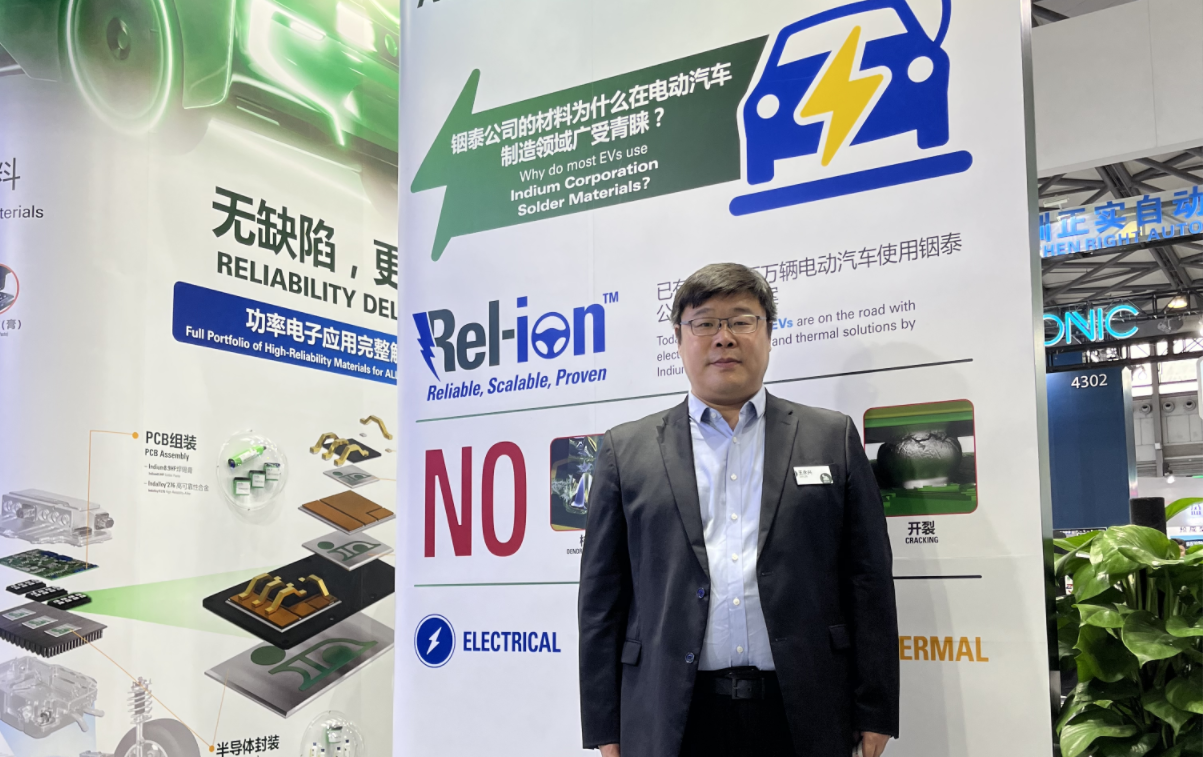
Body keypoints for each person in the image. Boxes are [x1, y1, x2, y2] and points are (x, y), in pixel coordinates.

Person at [578, 263, 899, 757]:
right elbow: (602, 597)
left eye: (742, 320)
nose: (723, 337)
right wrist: (605, 726)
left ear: (768, 334)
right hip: (671, 716)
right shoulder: (626, 450)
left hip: (804, 710)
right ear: (679, 339)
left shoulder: (830, 437)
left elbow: (868, 580)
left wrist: (875, 708)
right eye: (704, 323)